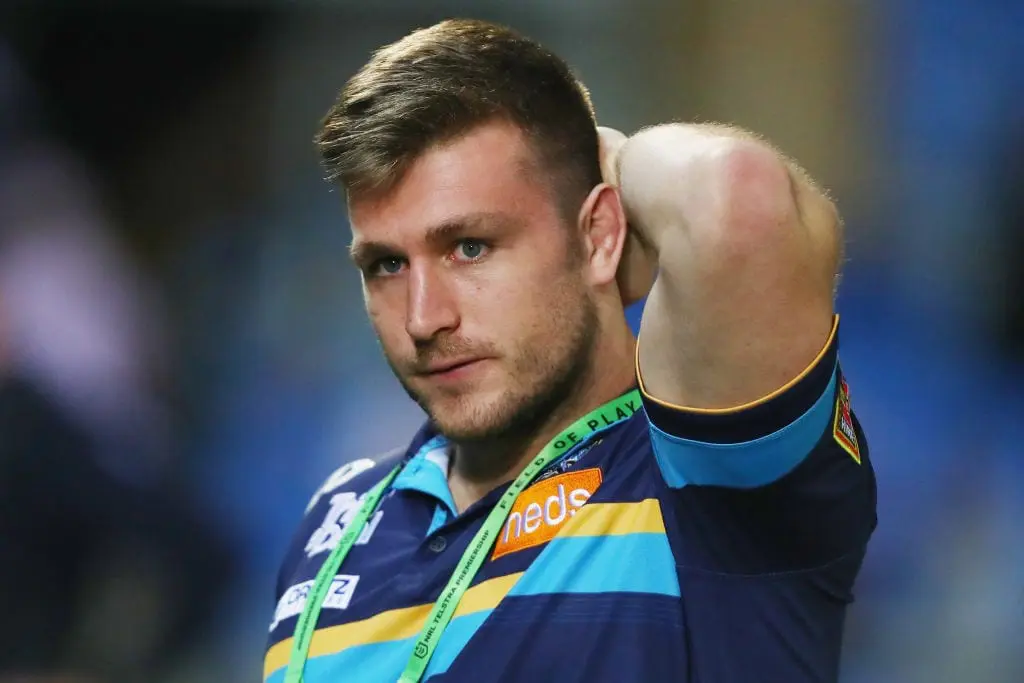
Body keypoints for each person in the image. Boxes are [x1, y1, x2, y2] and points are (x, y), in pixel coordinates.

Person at [264, 18, 876, 683]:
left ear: (600, 234)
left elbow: (739, 198)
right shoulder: (340, 516)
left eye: (470, 247)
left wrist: (604, 155)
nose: (423, 317)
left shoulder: (705, 483)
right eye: (386, 264)